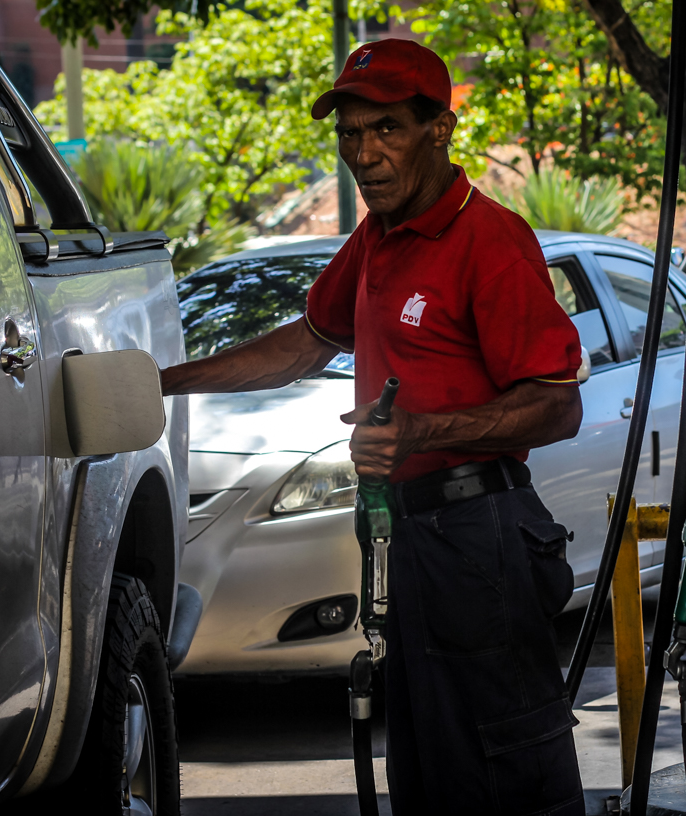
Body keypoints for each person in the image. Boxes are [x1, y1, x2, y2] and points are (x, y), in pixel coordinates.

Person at [161, 38, 586, 816]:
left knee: (504, 764)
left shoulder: (489, 242)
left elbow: (559, 404)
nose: (365, 153)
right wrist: (160, 382)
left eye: (386, 129)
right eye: (350, 134)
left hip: (481, 535)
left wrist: (420, 432)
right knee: (425, 766)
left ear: (439, 130)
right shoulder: (376, 240)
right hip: (406, 540)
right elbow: (299, 345)